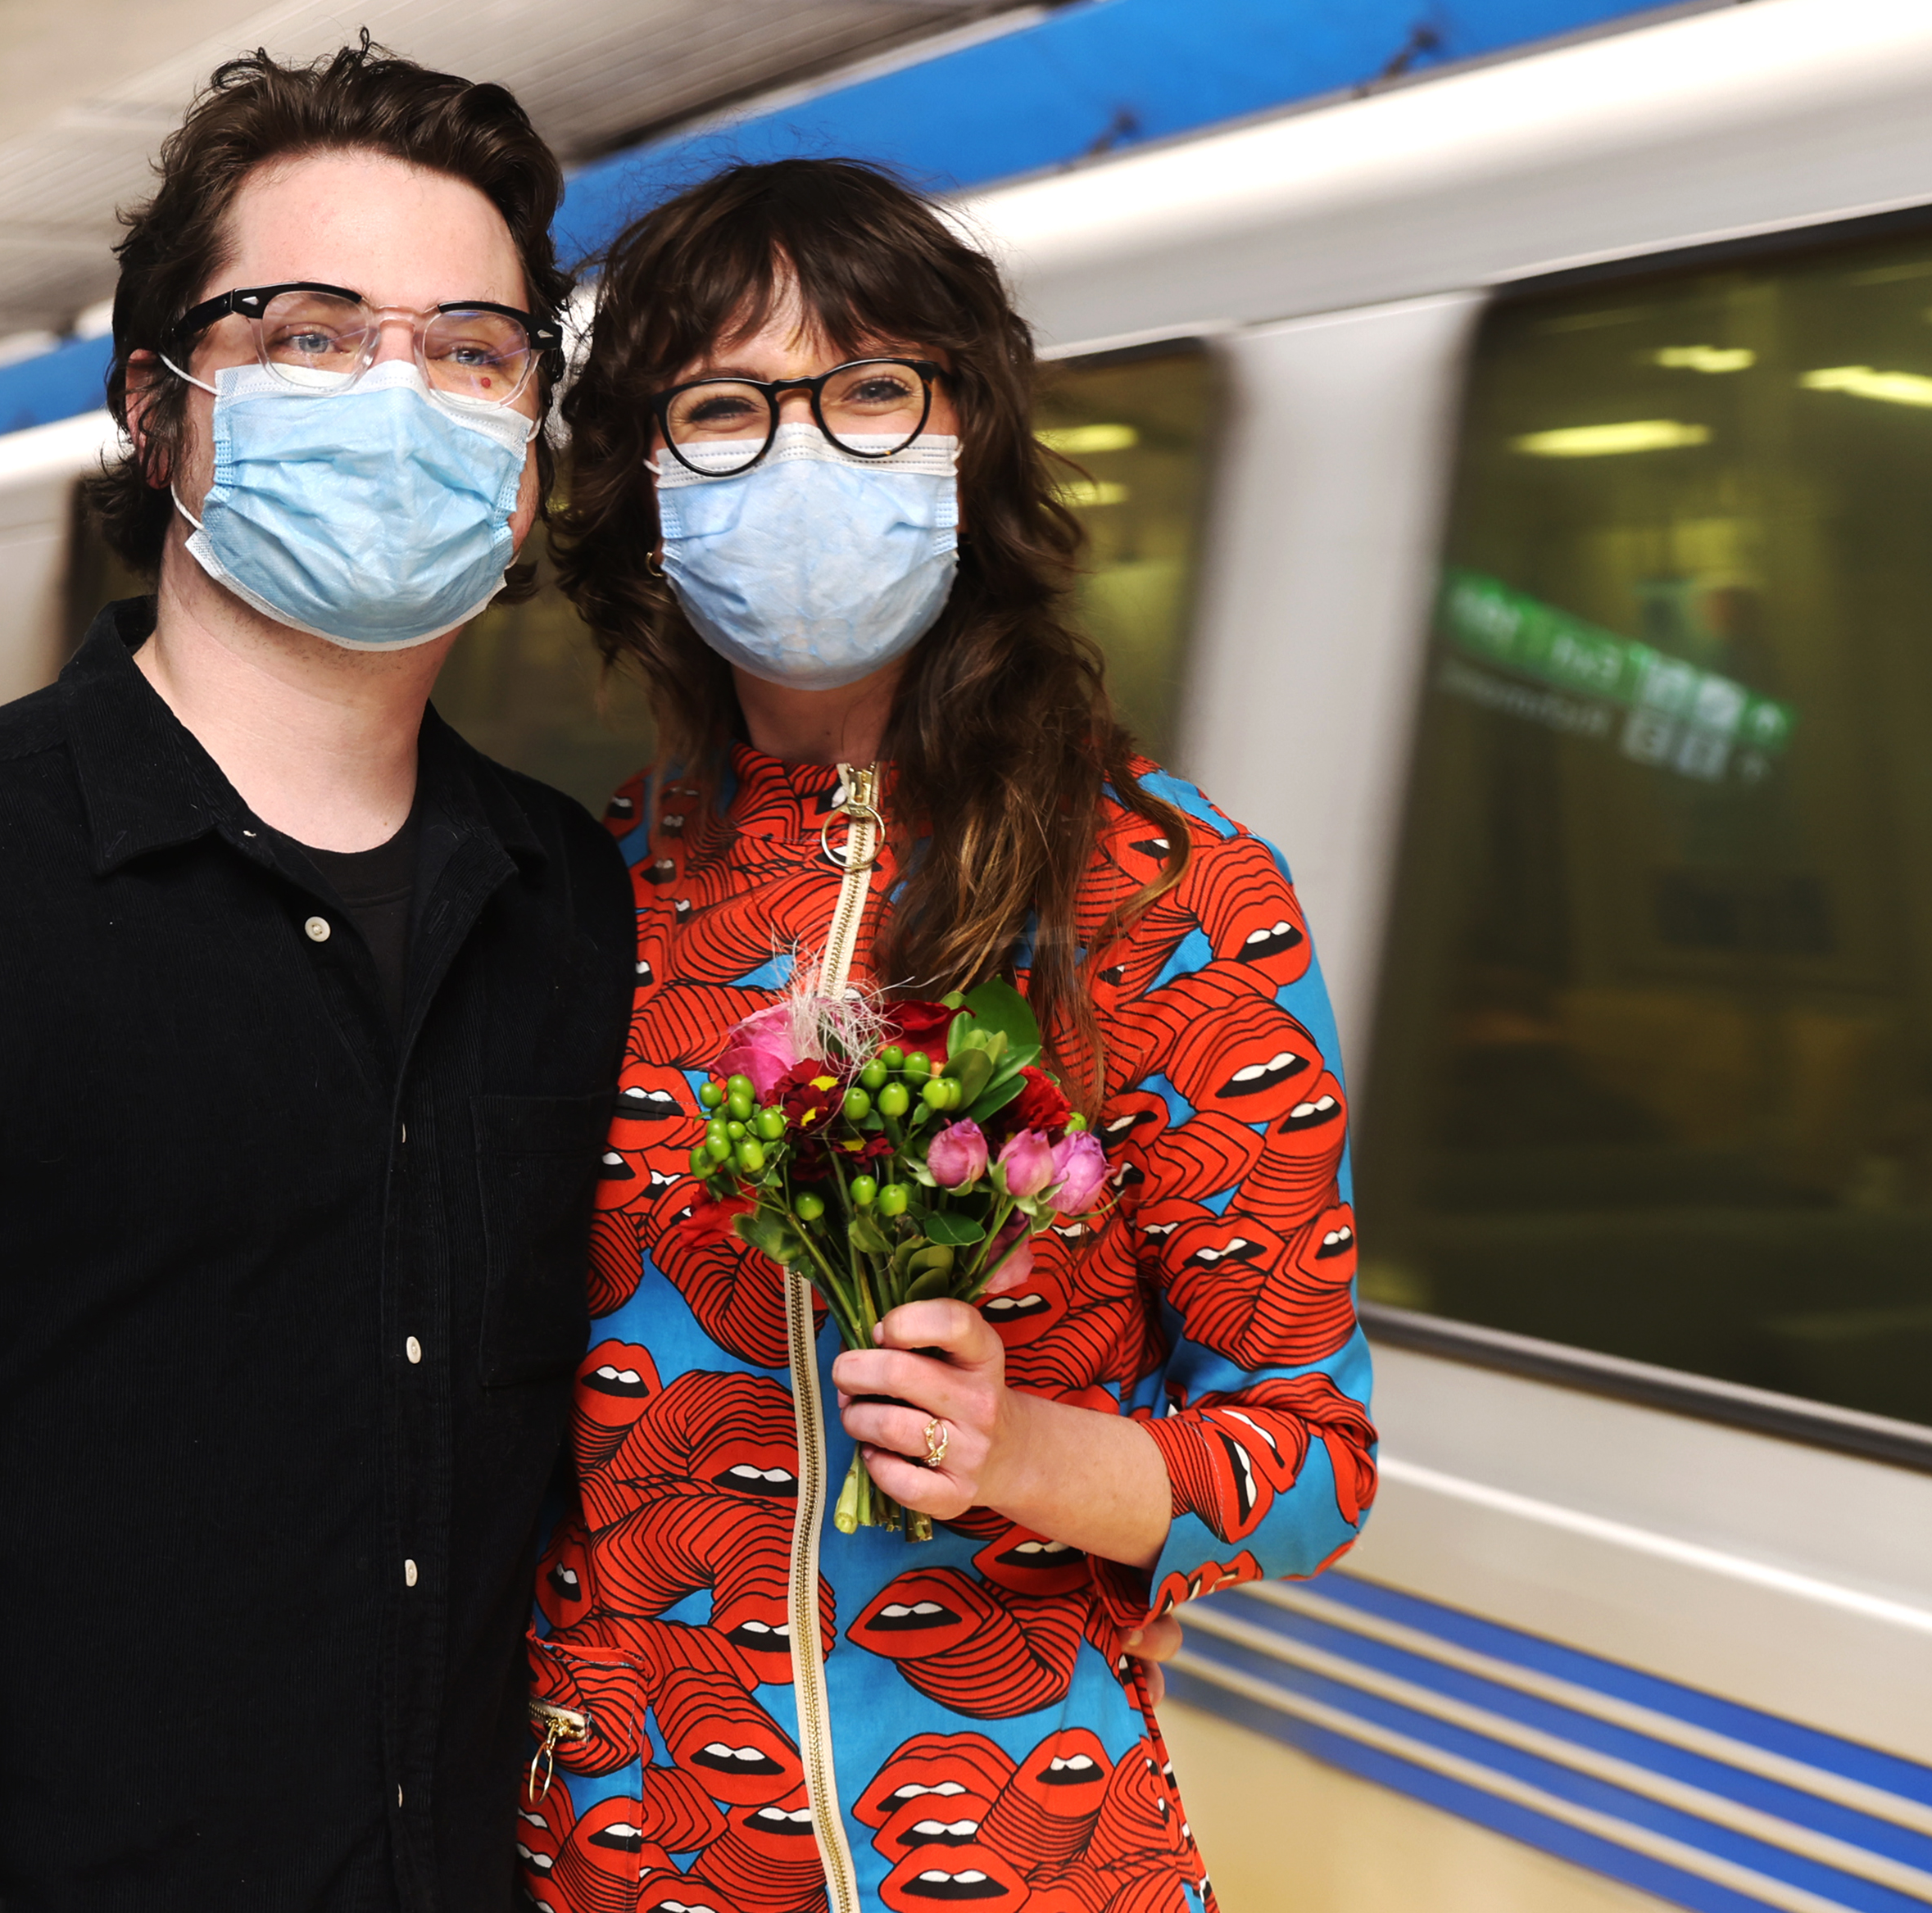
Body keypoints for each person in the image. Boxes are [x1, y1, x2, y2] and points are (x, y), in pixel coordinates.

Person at [0, 43, 633, 1913]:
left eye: (473, 352)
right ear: (158, 407)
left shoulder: (570, 906)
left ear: (526, 454)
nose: (399, 396)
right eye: (309, 336)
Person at [517, 158, 1377, 1912]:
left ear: (966, 436)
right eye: (722, 406)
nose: (804, 451)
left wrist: (1026, 1456)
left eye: (873, 389)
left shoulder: (1160, 889)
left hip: (1030, 1857)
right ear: (642, 484)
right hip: (611, 1860)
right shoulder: (580, 896)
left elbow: (1309, 1461)